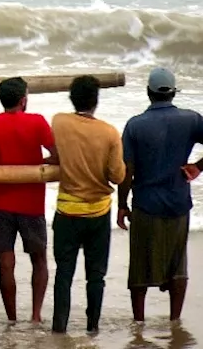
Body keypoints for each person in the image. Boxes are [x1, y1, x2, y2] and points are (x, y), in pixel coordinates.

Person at [117, 67, 203, 322]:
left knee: (140, 267)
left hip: (146, 204)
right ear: (173, 94)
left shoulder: (135, 125)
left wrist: (122, 205)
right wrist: (198, 167)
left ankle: (139, 322)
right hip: (179, 202)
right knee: (178, 265)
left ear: (149, 93)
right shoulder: (191, 120)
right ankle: (174, 320)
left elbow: (127, 170)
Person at [0, 77, 57, 324]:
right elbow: (57, 155)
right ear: (24, 99)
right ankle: (35, 315)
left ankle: (11, 318)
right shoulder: (37, 121)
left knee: (5, 263)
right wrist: (38, 163)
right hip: (31, 202)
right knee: (39, 259)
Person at [50, 75, 125, 335]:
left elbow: (57, 152)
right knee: (96, 276)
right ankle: (92, 327)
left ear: (72, 99)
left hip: (67, 210)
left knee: (64, 274)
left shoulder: (59, 121)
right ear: (96, 101)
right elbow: (117, 176)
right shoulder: (109, 132)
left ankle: (59, 328)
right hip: (98, 213)